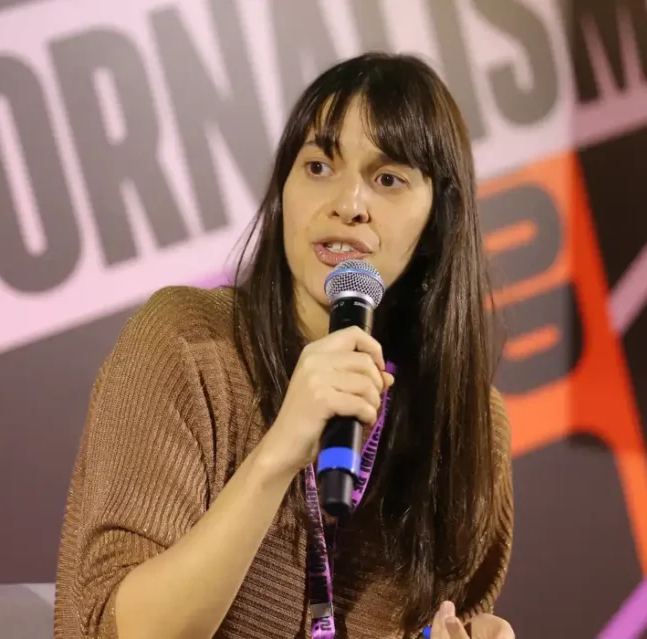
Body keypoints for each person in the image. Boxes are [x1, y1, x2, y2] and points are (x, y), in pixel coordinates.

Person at [53, 52, 515, 639]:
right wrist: (277, 455)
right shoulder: (189, 345)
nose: (348, 204)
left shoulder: (467, 424)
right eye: (318, 166)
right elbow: (111, 631)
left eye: (387, 179)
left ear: (437, 222)